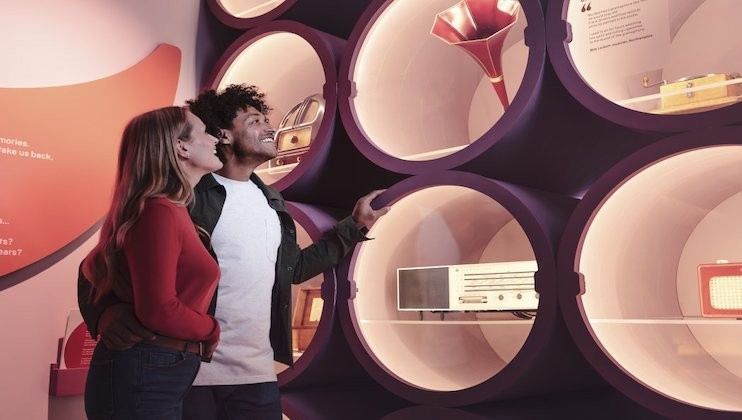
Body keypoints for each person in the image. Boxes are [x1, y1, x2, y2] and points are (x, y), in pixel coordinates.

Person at [78, 85, 390, 420]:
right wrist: (104, 314)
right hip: (191, 372)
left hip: (255, 373)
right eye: (256, 120)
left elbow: (292, 268)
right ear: (224, 135)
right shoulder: (188, 195)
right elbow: (102, 262)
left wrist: (353, 227)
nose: (270, 128)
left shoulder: (272, 202)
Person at [80, 106, 224, 419]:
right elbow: (158, 309)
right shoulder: (158, 210)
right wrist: (212, 329)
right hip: (148, 367)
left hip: (160, 368)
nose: (215, 138)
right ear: (180, 146)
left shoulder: (171, 209)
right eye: (204, 131)